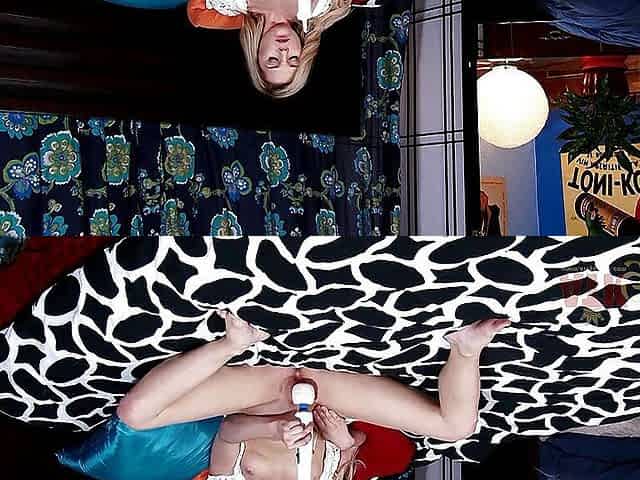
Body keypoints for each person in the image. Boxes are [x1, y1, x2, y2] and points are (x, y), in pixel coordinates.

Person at [116, 311, 511, 480]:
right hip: (328, 391)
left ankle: (232, 342)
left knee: (134, 414)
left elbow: (229, 431)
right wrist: (343, 440)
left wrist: (273, 428)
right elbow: (355, 446)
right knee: (457, 426)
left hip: (263, 389)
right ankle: (466, 348)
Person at [187, 0, 353, 98]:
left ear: (257, 56)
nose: (284, 52)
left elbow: (196, 13)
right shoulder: (317, 8)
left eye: (273, 60)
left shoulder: (231, 5)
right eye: (293, 59)